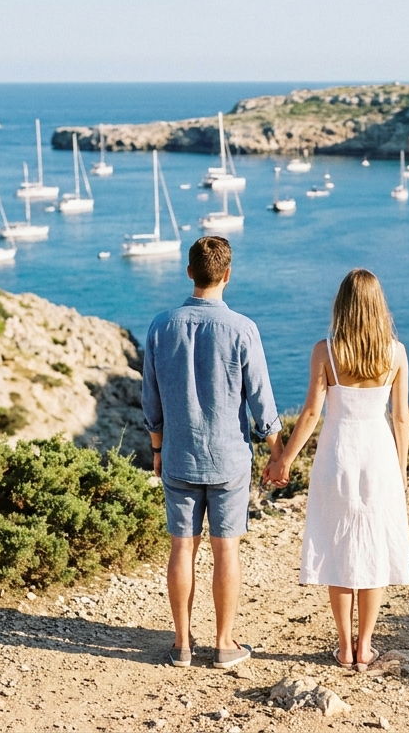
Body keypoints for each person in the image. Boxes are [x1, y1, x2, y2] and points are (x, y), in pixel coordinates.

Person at [142, 235, 284, 669]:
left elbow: (151, 398)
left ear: (189, 272)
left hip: (179, 455)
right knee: (227, 551)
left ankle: (181, 644)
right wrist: (278, 454)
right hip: (228, 459)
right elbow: (261, 400)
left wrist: (157, 448)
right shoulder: (242, 329)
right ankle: (224, 645)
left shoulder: (161, 326)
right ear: (227, 274)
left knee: (181, 548)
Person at [263, 268, 409, 671]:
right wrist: (400, 471)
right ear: (379, 305)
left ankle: (344, 648)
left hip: (337, 454)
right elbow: (401, 417)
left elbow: (311, 413)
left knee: (339, 549)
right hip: (379, 457)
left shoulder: (325, 351)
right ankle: (365, 648)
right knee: (373, 550)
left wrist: (283, 459)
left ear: (342, 305)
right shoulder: (395, 353)